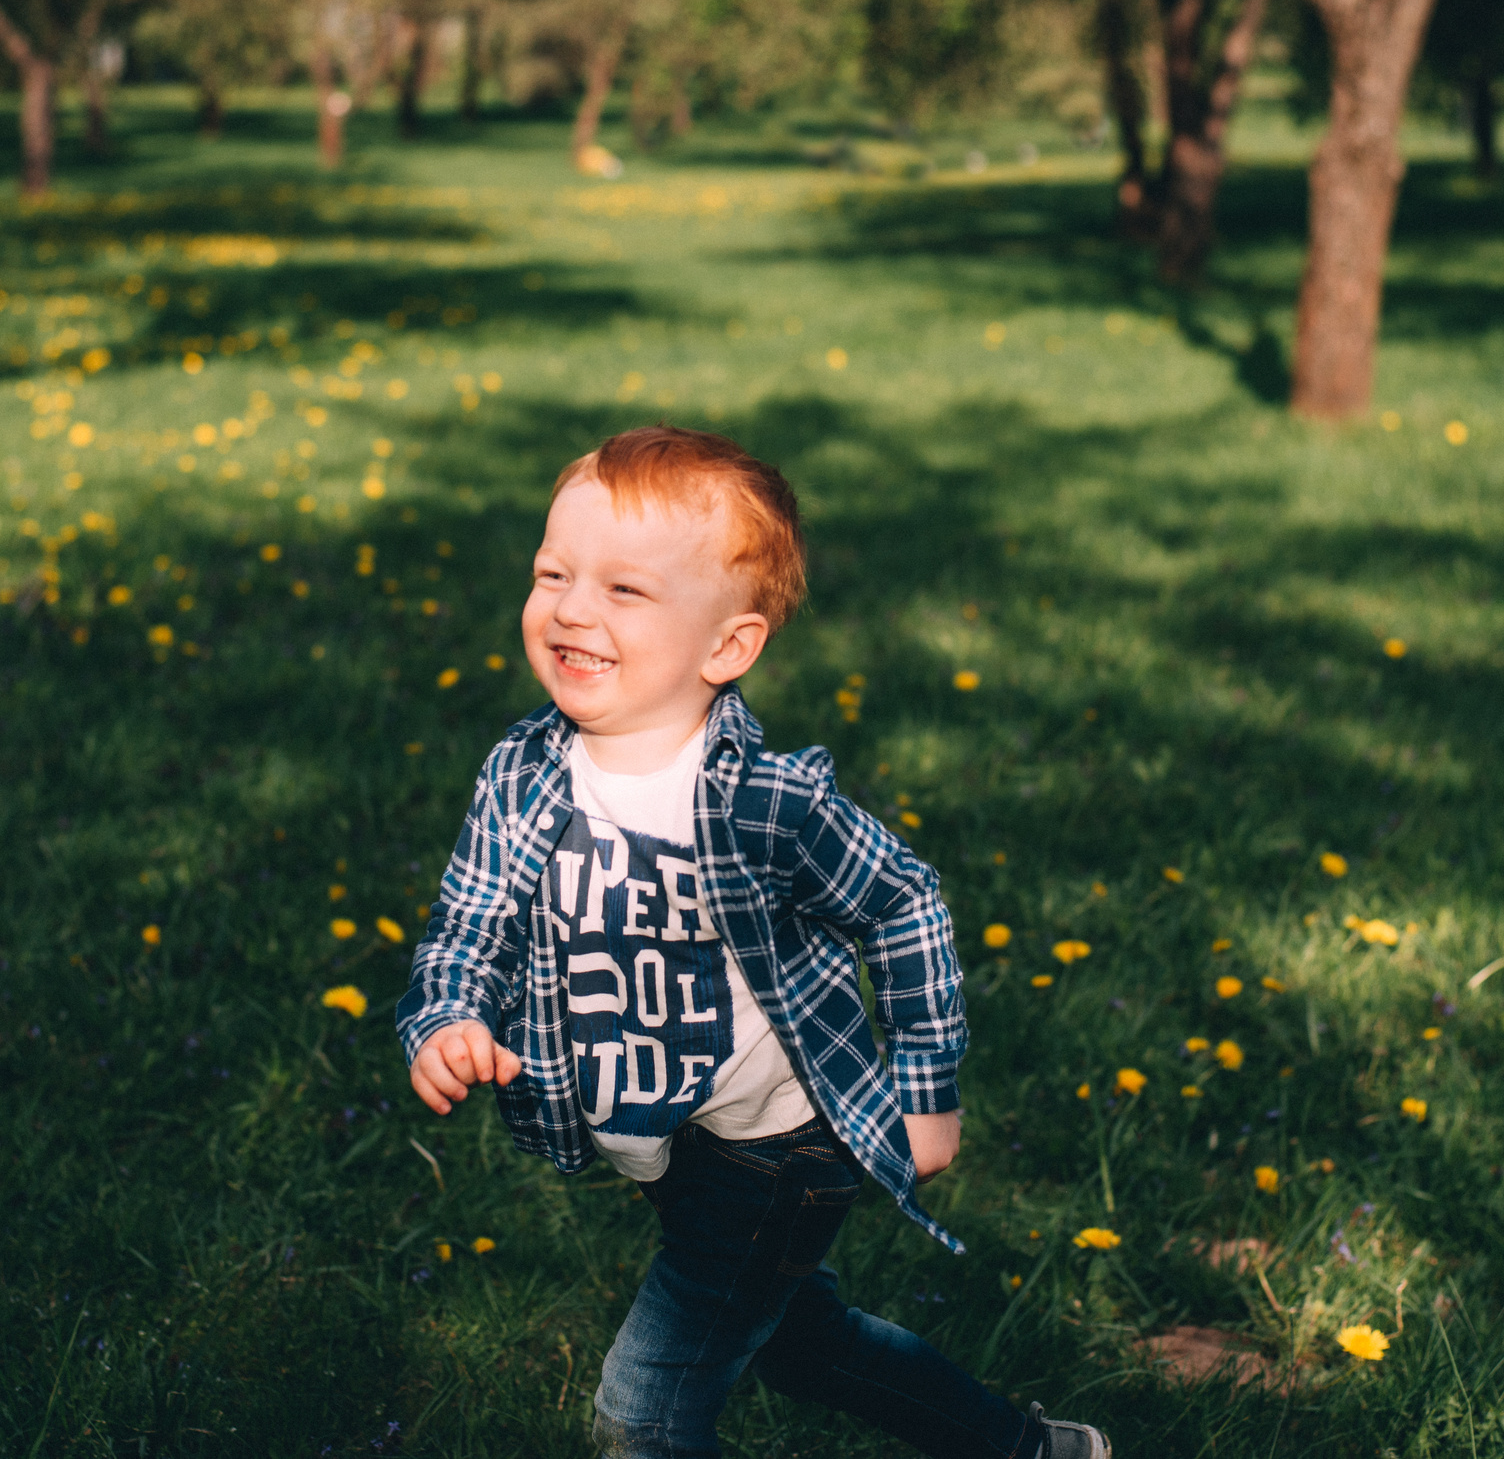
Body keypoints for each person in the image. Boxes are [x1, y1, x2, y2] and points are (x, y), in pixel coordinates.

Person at [395, 426, 1111, 1459]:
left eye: (624, 591)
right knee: (801, 1341)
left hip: (781, 1145)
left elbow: (903, 901)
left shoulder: (765, 805)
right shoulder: (522, 770)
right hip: (676, 1138)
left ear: (726, 646)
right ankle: (1032, 1449)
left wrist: (926, 1089)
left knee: (645, 1415)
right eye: (553, 572)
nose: (571, 607)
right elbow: (470, 921)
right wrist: (450, 1014)